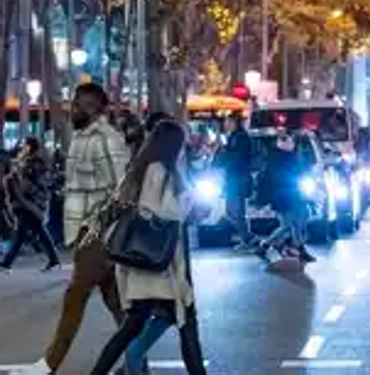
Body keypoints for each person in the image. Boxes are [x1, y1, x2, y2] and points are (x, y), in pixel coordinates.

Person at [17, 83, 131, 375]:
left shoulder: (107, 139)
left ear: (99, 109)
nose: (76, 109)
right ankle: (138, 361)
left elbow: (122, 190)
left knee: (75, 297)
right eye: (76, 103)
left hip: (97, 235)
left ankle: (48, 366)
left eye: (85, 105)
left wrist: (97, 230)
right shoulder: (83, 138)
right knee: (117, 303)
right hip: (87, 233)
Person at [87, 120, 206, 375]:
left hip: (151, 266)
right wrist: (188, 203)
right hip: (158, 266)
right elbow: (155, 212)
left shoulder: (146, 168)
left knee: (138, 326)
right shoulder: (158, 171)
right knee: (185, 324)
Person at [0, 137, 60, 271]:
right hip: (26, 201)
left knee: (25, 233)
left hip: (32, 201)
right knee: (31, 232)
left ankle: (7, 263)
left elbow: (32, 180)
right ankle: (54, 259)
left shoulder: (35, 161)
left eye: (24, 144)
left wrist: (17, 176)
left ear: (30, 146)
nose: (22, 147)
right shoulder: (25, 160)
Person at [255, 131, 314, 264]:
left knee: (296, 222)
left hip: (294, 196)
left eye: (292, 141)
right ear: (282, 143)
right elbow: (269, 181)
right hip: (284, 198)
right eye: (289, 141)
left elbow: (299, 175)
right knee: (290, 225)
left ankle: (269, 247)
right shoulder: (276, 159)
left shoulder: (289, 157)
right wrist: (264, 200)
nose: (292, 143)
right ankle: (295, 249)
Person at [217, 115, 256, 250]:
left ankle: (248, 239)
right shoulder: (235, 136)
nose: (225, 124)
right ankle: (247, 238)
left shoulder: (239, 137)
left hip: (237, 179)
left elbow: (236, 158)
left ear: (234, 122)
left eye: (227, 121)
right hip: (234, 178)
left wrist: (224, 152)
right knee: (232, 211)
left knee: (236, 211)